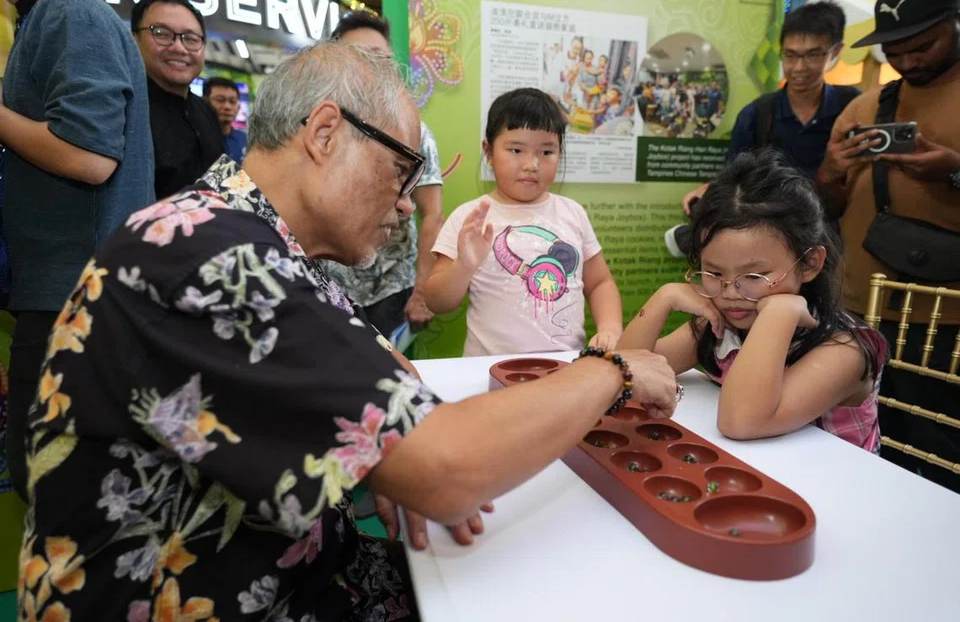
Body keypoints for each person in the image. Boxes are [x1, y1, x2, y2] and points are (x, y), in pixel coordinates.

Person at [17, 42, 679, 621]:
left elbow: (387, 375)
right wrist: (611, 370)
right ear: (326, 132)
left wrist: (394, 453)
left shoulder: (249, 240)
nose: (403, 203)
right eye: (399, 170)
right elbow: (450, 470)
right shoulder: (213, 254)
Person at [620, 149, 886, 451]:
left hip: (833, 490)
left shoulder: (845, 350)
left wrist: (778, 315)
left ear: (810, 264)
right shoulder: (721, 325)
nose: (731, 292)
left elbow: (741, 422)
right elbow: (626, 375)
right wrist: (662, 299)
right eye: (713, 272)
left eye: (755, 276)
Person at [0, 0, 154, 500]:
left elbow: (88, 155)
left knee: (59, 489)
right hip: (68, 292)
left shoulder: (68, 10)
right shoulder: (47, 15)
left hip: (74, 297)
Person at [816, 0, 960, 492]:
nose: (907, 60)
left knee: (942, 448)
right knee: (868, 442)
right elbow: (827, 208)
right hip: (861, 308)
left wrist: (952, 172)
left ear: (954, 22)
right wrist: (832, 170)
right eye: (894, 50)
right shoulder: (867, 107)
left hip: (944, 317)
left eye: (922, 46)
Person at [425, 88, 623, 355]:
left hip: (567, 369)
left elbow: (600, 282)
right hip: (491, 371)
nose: (531, 164)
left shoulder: (573, 212)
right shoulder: (469, 217)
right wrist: (464, 266)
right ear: (489, 152)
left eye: (546, 152)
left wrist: (610, 327)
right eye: (516, 150)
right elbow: (437, 301)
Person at [665, 1, 859, 258]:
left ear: (835, 52)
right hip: (773, 241)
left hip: (835, 241)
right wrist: (711, 189)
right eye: (790, 55)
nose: (799, 67)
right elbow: (736, 176)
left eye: (812, 54)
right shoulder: (758, 114)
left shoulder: (853, 109)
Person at [320, 12, 445, 341]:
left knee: (388, 383)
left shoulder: (415, 133)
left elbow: (432, 215)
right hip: (324, 289)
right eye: (358, 58)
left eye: (380, 59)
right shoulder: (316, 129)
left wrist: (422, 292)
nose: (371, 69)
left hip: (393, 292)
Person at [132, 0, 223, 199]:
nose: (179, 48)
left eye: (190, 38)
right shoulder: (125, 110)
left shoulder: (206, 111)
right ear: (135, 40)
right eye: (162, 34)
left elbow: (225, 186)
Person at [203, 76, 247, 164]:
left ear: (238, 107)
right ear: (204, 102)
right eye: (220, 100)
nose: (227, 106)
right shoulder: (197, 139)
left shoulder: (246, 140)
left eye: (232, 101)